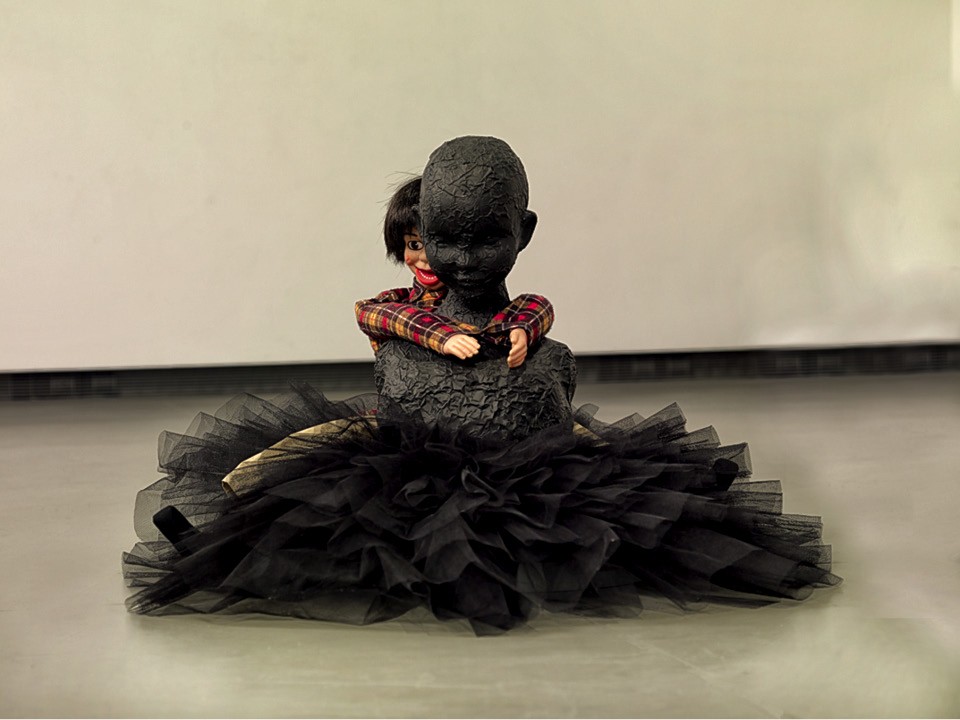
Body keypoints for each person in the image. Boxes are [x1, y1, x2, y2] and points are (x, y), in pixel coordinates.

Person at [123, 136, 840, 635]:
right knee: (312, 451)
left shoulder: (535, 328)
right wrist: (436, 339)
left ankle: (690, 489)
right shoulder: (401, 311)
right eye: (440, 240)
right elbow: (379, 314)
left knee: (592, 445)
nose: (460, 259)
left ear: (523, 232)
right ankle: (224, 513)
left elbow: (537, 321)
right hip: (401, 433)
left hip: (529, 438)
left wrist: (522, 334)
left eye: (486, 239)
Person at [355, 176, 554, 368]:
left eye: (438, 245)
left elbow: (536, 305)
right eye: (414, 245)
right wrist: (440, 335)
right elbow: (369, 312)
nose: (424, 258)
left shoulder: (476, 294)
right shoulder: (399, 302)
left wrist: (521, 329)